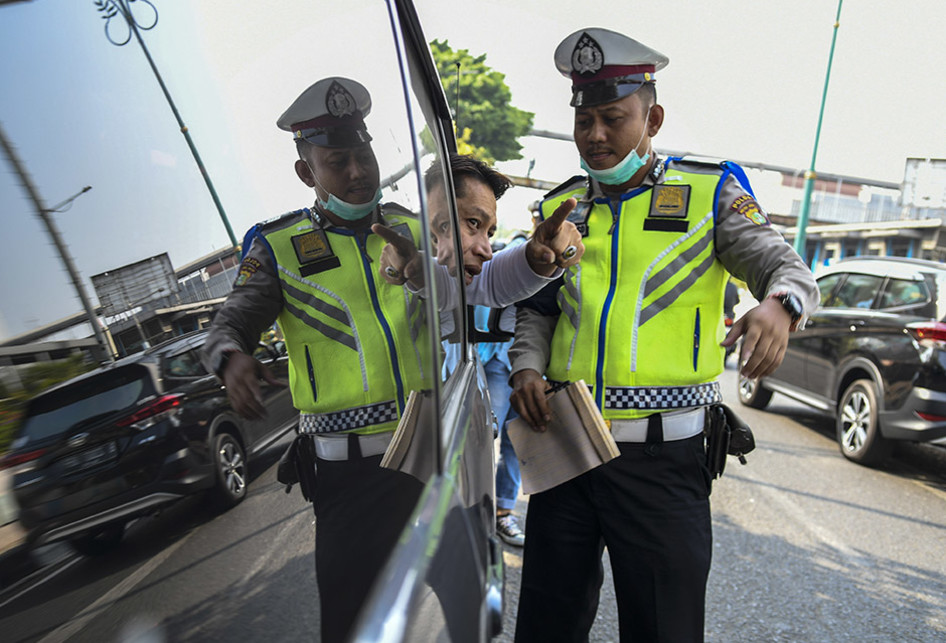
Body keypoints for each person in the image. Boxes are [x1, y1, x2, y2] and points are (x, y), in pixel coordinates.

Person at [508, 29, 819, 642]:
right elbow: (539, 309)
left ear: (652, 117)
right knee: (547, 622)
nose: (595, 135)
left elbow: (786, 268)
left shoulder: (710, 191)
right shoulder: (563, 205)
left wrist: (781, 307)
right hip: (567, 448)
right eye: (584, 120)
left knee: (662, 628)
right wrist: (525, 366)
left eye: (613, 118)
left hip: (662, 461)